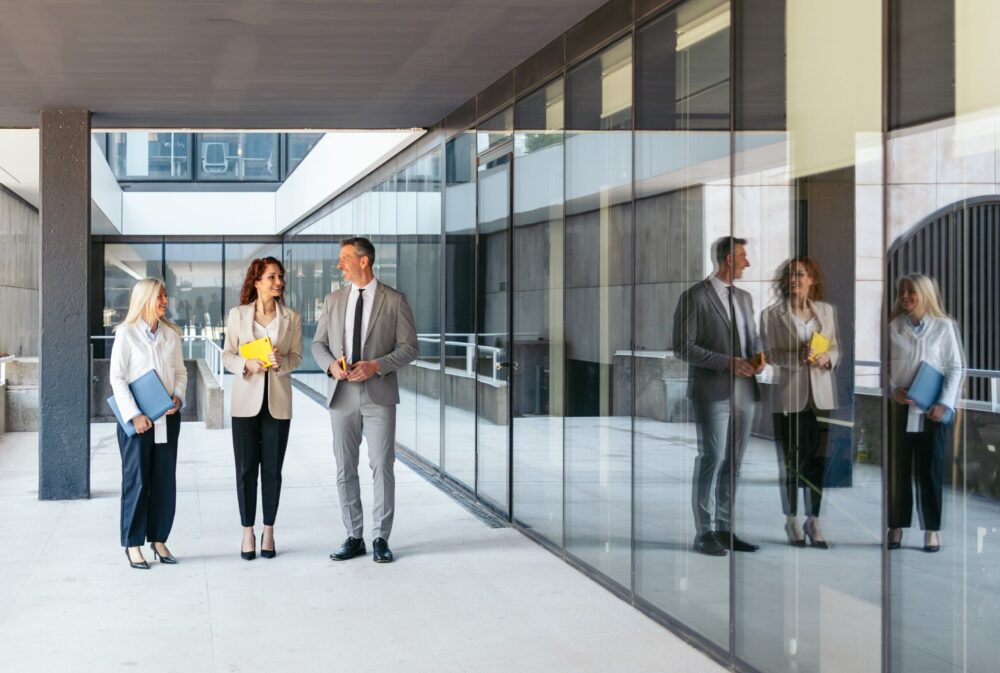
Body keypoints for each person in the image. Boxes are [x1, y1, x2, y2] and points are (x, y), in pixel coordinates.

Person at [311, 237, 418, 563]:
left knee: (381, 465)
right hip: (342, 395)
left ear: (363, 261)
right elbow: (318, 345)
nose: (339, 264)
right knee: (345, 467)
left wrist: (376, 365)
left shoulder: (394, 300)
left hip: (379, 394)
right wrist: (331, 366)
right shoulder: (332, 300)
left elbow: (410, 347)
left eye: (344, 258)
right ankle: (354, 535)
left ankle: (380, 538)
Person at [673, 236, 764, 556]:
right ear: (727, 259)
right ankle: (704, 531)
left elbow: (751, 339)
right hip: (712, 391)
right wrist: (728, 363)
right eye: (742, 256)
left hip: (745, 391)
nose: (747, 262)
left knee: (735, 463)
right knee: (713, 457)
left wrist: (758, 357)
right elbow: (683, 347)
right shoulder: (694, 297)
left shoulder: (746, 298)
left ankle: (725, 529)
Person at [222, 257, 302, 560]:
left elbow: (297, 356)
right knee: (245, 470)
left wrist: (283, 363)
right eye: (272, 277)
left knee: (272, 470)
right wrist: (247, 363)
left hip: (278, 403)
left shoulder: (291, 317)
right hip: (245, 403)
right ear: (256, 281)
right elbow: (227, 355)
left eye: (280, 277)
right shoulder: (237, 315)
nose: (278, 282)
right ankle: (247, 531)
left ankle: (268, 530)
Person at [109, 278, 186, 569]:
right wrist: (134, 415)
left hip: (166, 419)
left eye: (165, 296)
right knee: (138, 481)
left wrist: (178, 397)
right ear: (145, 300)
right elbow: (117, 378)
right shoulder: (126, 334)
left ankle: (159, 539)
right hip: (137, 423)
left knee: (164, 481)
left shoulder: (171, 335)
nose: (165, 301)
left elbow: (181, 373)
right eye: (160, 296)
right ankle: (132, 543)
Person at [762, 257, 839, 549]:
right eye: (790, 275)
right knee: (792, 462)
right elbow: (769, 354)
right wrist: (798, 356)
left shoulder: (827, 312)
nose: (795, 279)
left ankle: (814, 520)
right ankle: (792, 518)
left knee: (817, 461)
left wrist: (826, 358)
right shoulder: (772, 315)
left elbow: (836, 348)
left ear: (812, 280)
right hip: (789, 396)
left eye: (801, 275)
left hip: (821, 395)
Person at [887, 273, 963, 553]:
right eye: (901, 291)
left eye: (911, 291)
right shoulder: (893, 327)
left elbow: (955, 368)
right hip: (900, 410)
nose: (905, 296)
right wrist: (893, 389)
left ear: (925, 294)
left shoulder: (944, 327)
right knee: (898, 472)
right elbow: (886, 369)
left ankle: (932, 530)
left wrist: (944, 403)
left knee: (930, 471)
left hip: (932, 411)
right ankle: (895, 526)